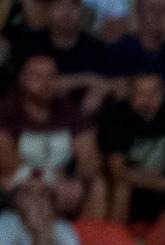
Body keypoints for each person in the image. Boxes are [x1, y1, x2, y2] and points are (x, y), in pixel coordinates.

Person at [0, 53, 101, 218]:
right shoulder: (6, 112)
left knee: (98, 186)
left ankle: (89, 241)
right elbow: (7, 164)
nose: (45, 83)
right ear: (23, 80)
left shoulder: (70, 110)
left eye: (51, 76)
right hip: (22, 179)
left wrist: (78, 181)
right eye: (37, 77)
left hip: (63, 180)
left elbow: (89, 156)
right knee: (27, 189)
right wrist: (49, 182)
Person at [99, 69, 165, 225]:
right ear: (130, 94)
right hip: (135, 187)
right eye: (140, 94)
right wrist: (163, 183)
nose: (147, 101)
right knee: (121, 191)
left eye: (153, 93)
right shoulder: (116, 117)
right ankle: (115, 243)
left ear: (162, 94)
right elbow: (117, 170)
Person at [107, 0, 165, 96]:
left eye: (164, 10)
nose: (158, 16)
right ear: (139, 11)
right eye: (152, 9)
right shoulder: (121, 50)